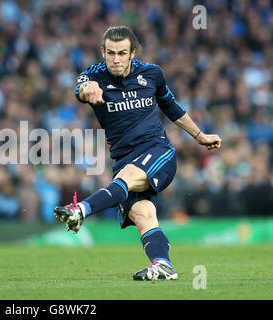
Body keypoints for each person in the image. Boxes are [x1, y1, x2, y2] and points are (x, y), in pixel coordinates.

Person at [54, 26, 221, 281]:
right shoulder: (92, 76)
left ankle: (80, 210)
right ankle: (163, 264)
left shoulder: (152, 74)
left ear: (133, 53)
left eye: (122, 53)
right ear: (103, 52)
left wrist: (200, 136)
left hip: (157, 151)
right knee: (144, 216)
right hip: (123, 159)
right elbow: (80, 89)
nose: (116, 59)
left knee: (127, 179)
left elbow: (171, 106)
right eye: (110, 53)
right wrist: (87, 90)